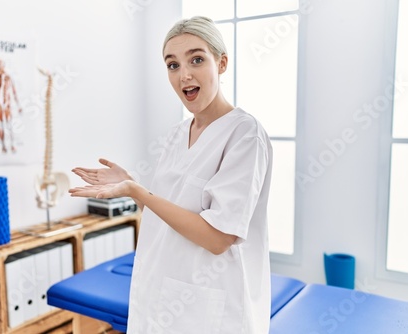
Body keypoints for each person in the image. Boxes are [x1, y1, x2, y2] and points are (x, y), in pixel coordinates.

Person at [70, 16, 273, 333]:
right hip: (161, 294)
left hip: (210, 308)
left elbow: (219, 238)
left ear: (221, 63)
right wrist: (133, 186)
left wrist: (138, 191)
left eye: (196, 59)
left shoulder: (245, 134)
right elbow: (164, 214)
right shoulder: (177, 135)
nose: (184, 74)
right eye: (172, 65)